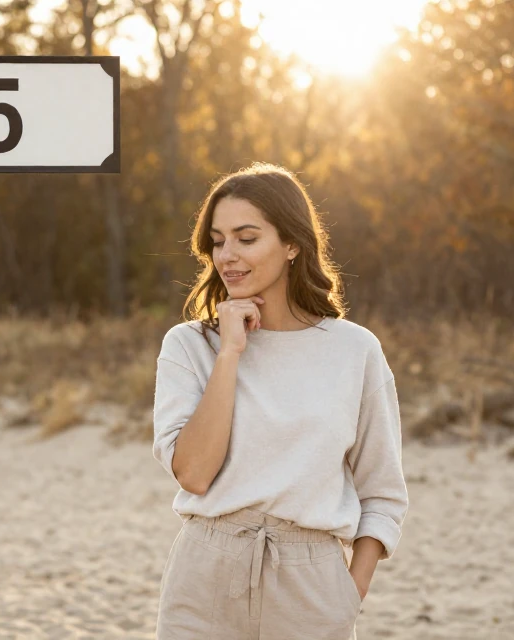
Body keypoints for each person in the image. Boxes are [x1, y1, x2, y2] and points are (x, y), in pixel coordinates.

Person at [151, 162, 409, 639]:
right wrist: (229, 352)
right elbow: (193, 472)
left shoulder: (355, 350)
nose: (227, 255)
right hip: (205, 575)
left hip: (312, 585)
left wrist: (348, 594)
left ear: (292, 243)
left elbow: (382, 492)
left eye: (246, 238)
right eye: (217, 240)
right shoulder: (189, 345)